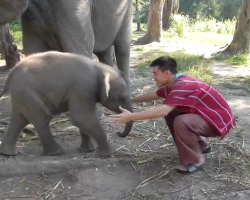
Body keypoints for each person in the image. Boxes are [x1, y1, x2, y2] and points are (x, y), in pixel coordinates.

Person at [109, 56, 236, 174]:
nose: (154, 77)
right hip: (210, 117)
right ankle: (200, 146)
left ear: (166, 73)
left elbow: (163, 110)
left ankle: (196, 160)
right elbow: (155, 95)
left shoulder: (182, 85)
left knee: (181, 121)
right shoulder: (174, 83)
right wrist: (130, 100)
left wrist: (131, 116)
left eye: (155, 73)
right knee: (173, 114)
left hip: (218, 122)